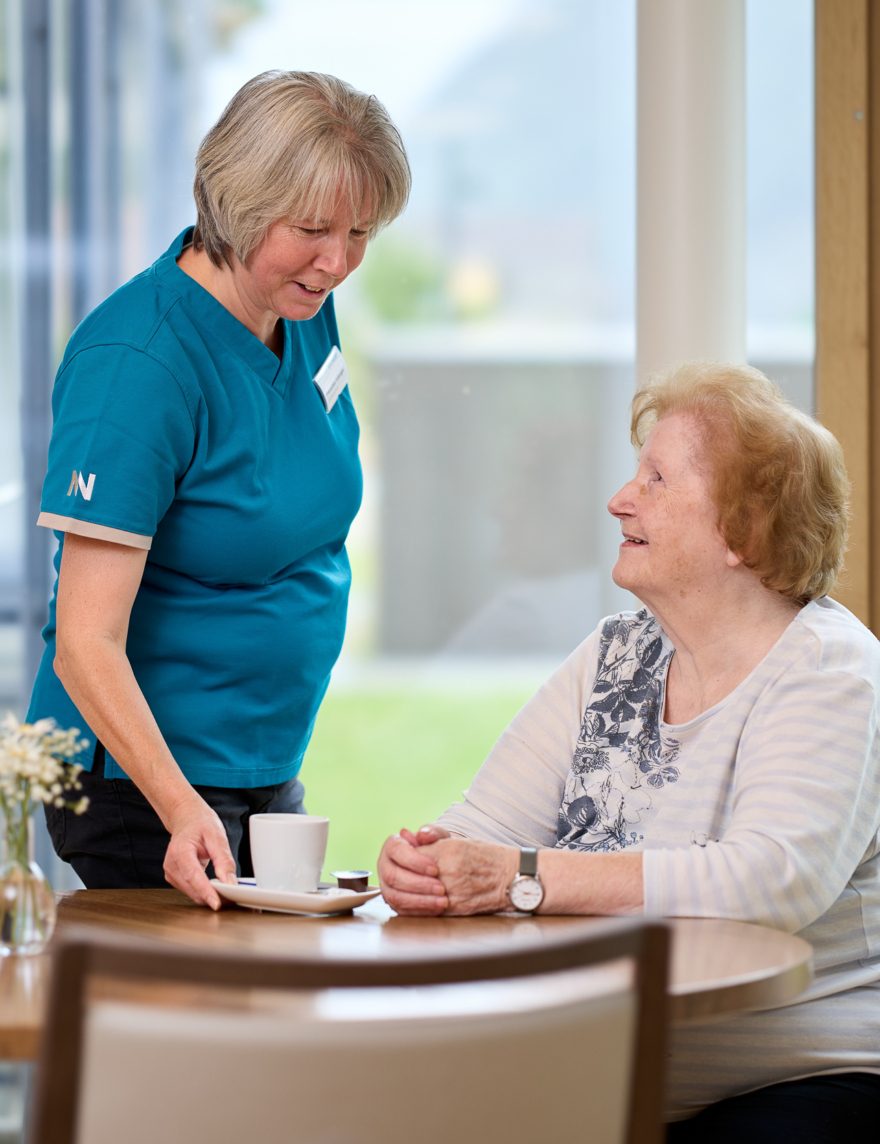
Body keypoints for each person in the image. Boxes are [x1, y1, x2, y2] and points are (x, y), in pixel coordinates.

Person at [378, 362, 880, 1140]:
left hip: (800, 1075)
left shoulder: (828, 670)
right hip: (596, 1064)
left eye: (656, 479)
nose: (619, 499)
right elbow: (485, 830)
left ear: (743, 532)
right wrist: (432, 862)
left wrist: (522, 880)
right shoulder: (614, 654)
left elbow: (770, 880)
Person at [28, 70, 410, 909]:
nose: (338, 262)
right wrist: (178, 807)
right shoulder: (140, 363)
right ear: (237, 204)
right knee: (203, 1030)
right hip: (142, 788)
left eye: (359, 232)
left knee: (270, 1017)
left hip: (261, 771)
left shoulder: (301, 307)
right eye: (312, 229)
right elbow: (84, 643)